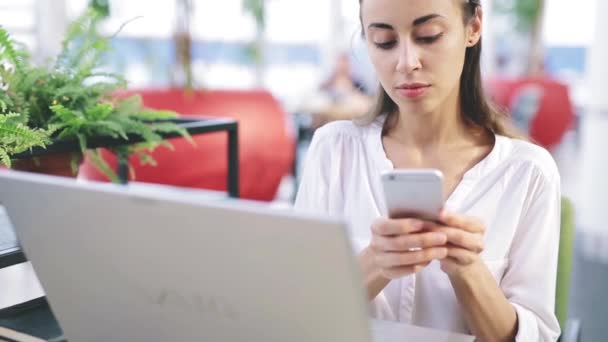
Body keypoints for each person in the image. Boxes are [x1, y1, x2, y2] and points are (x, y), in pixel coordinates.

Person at [294, 0, 561, 341]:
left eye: (428, 36)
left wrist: (469, 272)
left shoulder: (528, 173)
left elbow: (535, 336)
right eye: (384, 42)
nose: (407, 63)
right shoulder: (334, 150)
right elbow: (299, 317)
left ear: (474, 26)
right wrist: (375, 263)